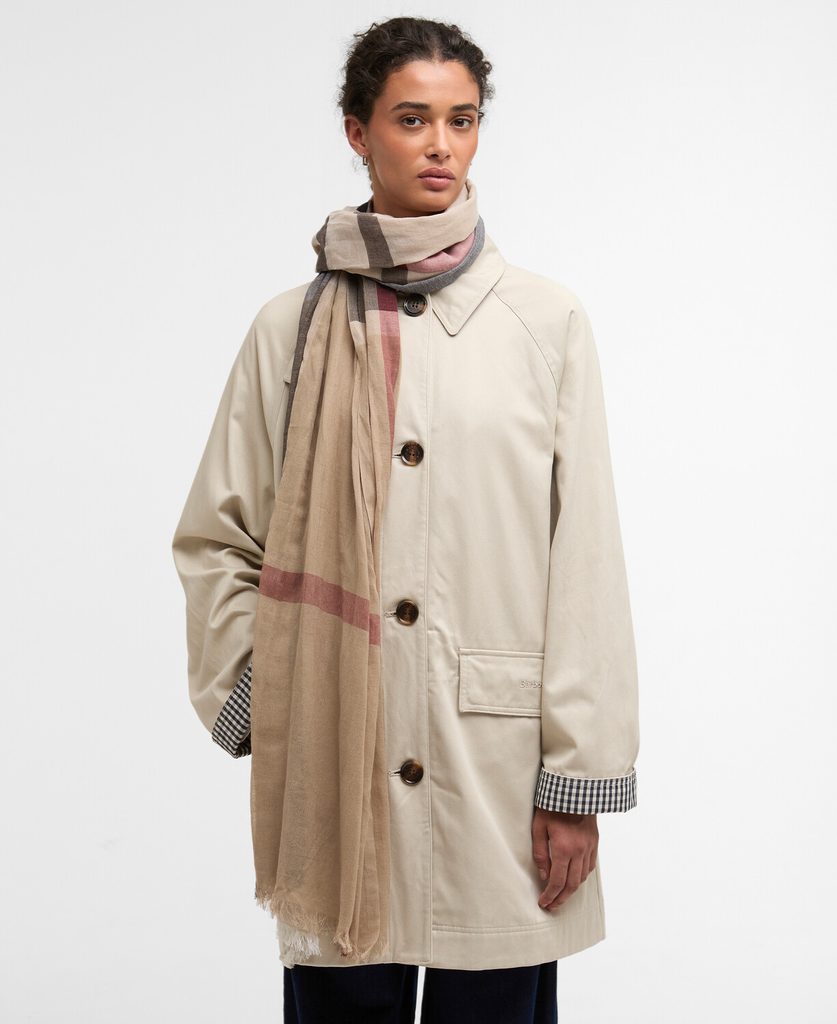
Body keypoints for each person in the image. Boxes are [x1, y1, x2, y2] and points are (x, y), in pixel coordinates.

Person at [171, 15, 640, 1024]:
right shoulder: (292, 329)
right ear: (358, 131)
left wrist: (577, 782)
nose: (440, 145)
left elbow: (586, 561)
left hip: (496, 767)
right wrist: (271, 692)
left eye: (461, 120)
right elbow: (218, 537)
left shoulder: (544, 323)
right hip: (335, 757)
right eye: (412, 118)